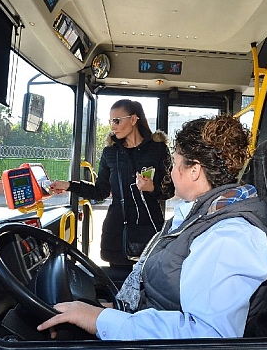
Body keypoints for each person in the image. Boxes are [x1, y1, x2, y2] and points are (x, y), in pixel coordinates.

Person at [39, 115, 267, 340]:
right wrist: (111, 310)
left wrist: (101, 319)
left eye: (175, 163)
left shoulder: (229, 237)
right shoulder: (199, 216)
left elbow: (206, 336)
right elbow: (162, 296)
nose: (170, 171)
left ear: (194, 170)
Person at [50, 99, 174, 267]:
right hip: (117, 230)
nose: (112, 126)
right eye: (110, 121)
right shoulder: (110, 153)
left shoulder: (157, 149)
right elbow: (100, 192)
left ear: (133, 119)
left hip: (149, 228)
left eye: (117, 120)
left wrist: (152, 188)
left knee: (148, 281)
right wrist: (69, 185)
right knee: (117, 283)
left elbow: (170, 190)